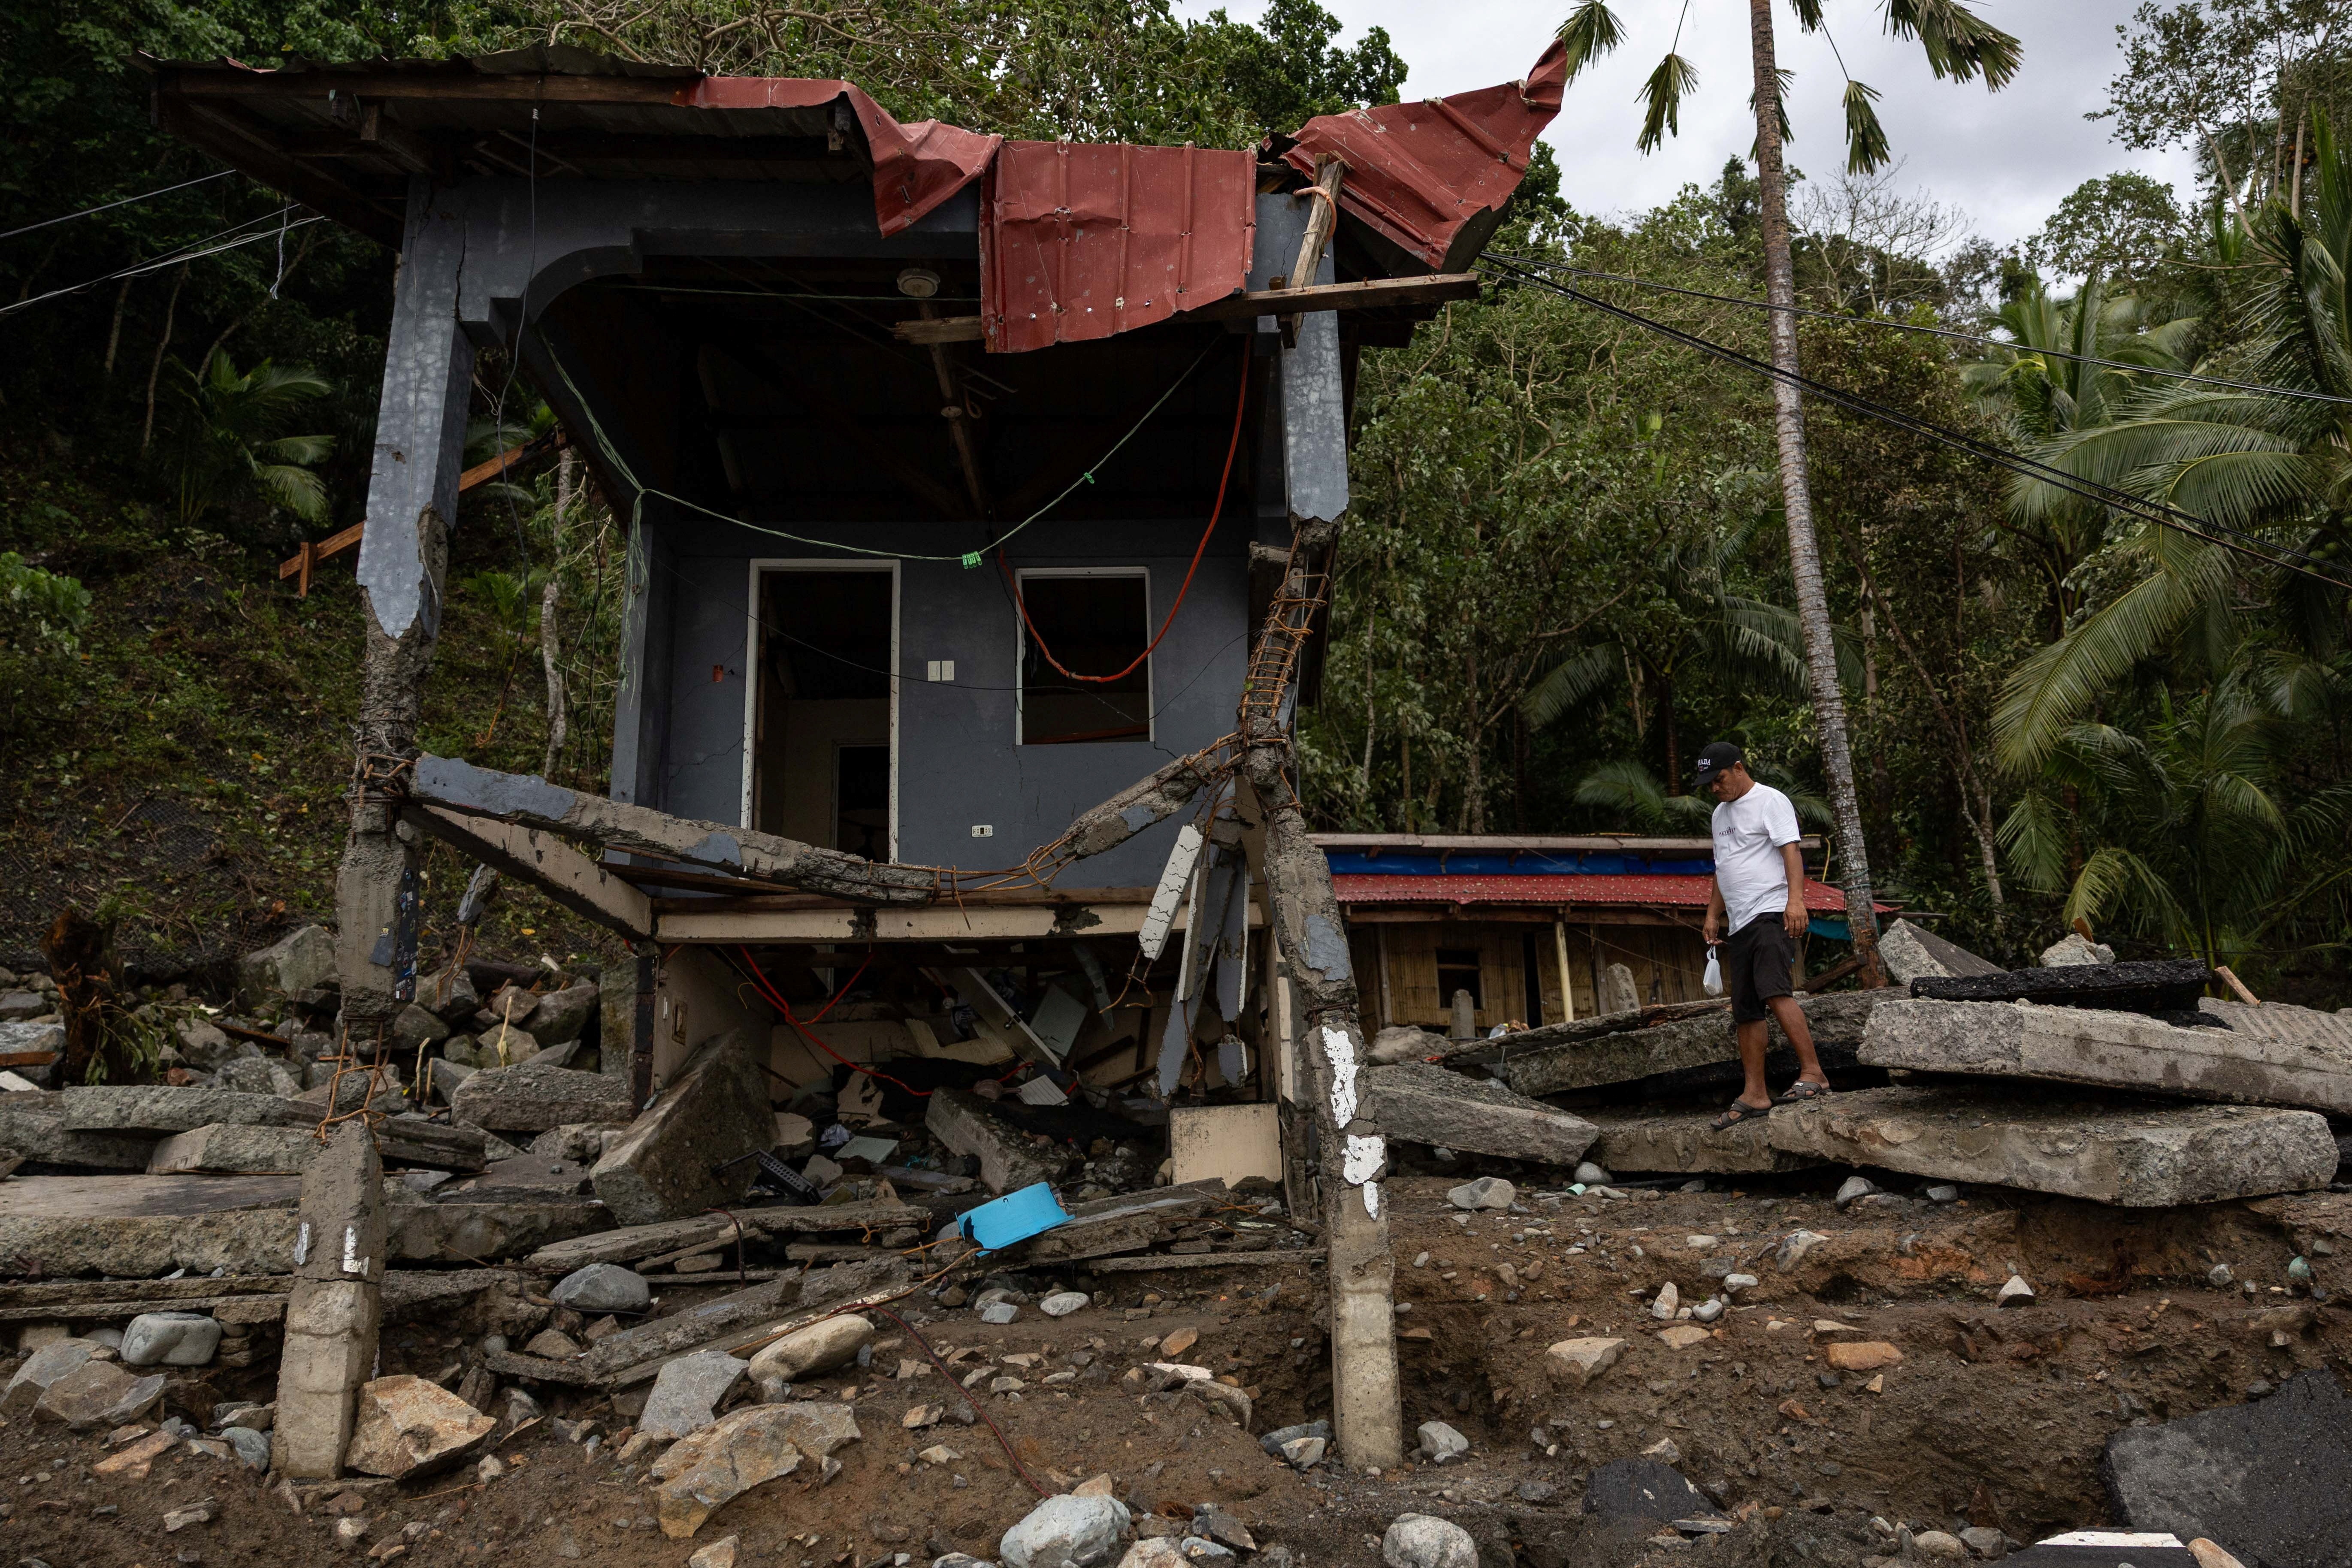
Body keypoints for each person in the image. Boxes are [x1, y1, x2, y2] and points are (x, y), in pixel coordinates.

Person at [1693, 741, 1832, 1128]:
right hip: (1738, 922)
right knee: (1746, 1008)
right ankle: (1755, 1093)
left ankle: (1814, 1073)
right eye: (1709, 784)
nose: (1715, 789)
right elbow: (1724, 866)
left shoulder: (1771, 800)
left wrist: (1797, 902)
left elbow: (1791, 851)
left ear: (1738, 768)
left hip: (1770, 911)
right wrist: (1712, 914)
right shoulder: (1720, 814)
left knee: (1774, 990)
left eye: (1719, 780)